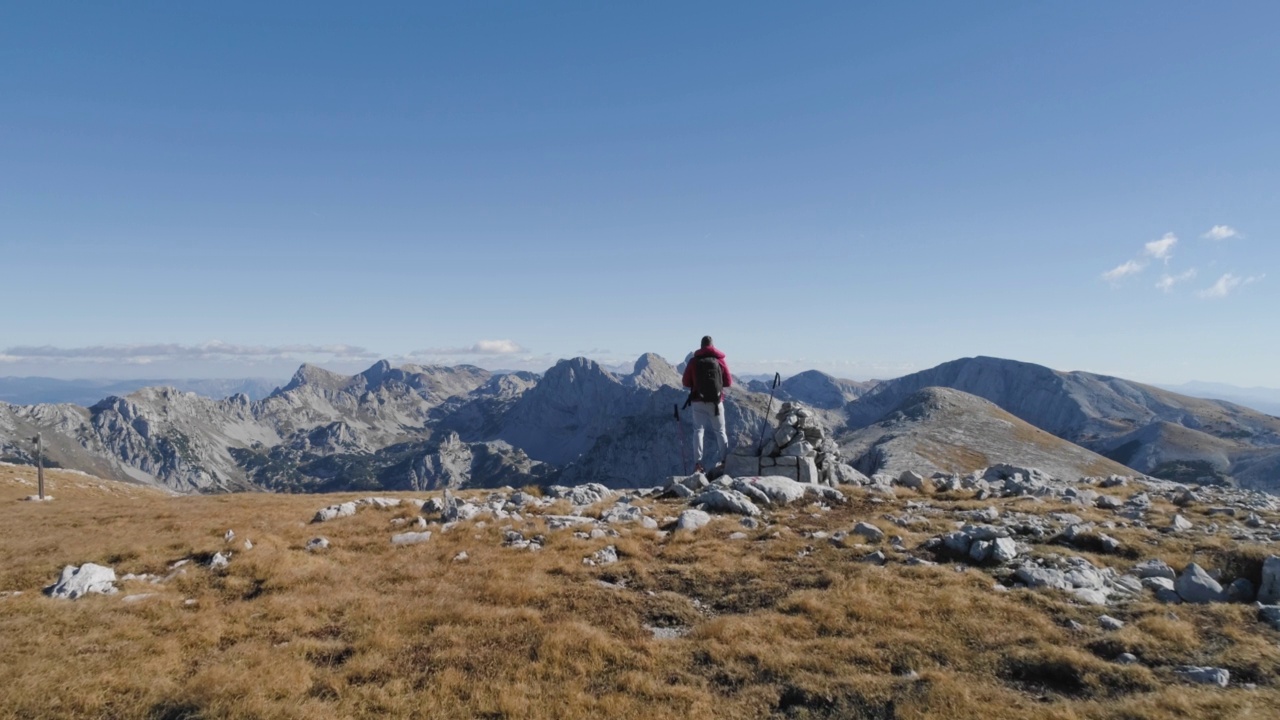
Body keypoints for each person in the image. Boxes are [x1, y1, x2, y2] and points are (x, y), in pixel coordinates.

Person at [681, 335, 732, 473]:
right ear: (713, 346)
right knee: (720, 431)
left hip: (698, 401)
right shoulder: (720, 360)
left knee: (698, 431)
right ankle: (725, 460)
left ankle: (698, 464)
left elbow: (685, 382)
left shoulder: (694, 361)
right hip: (716, 403)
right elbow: (728, 382)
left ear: (701, 346)